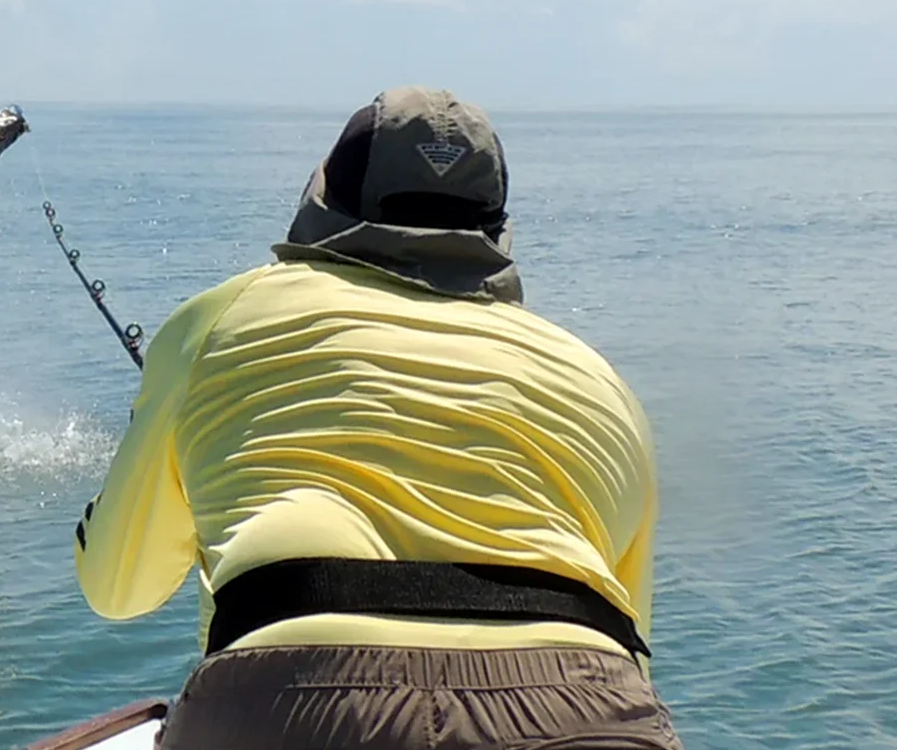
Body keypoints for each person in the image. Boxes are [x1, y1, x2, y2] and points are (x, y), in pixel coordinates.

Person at [72, 86, 683, 750]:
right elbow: (635, 656)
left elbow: (117, 588)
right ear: (498, 232)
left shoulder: (218, 321)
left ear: (321, 201)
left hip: (291, 705)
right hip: (590, 705)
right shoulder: (603, 382)